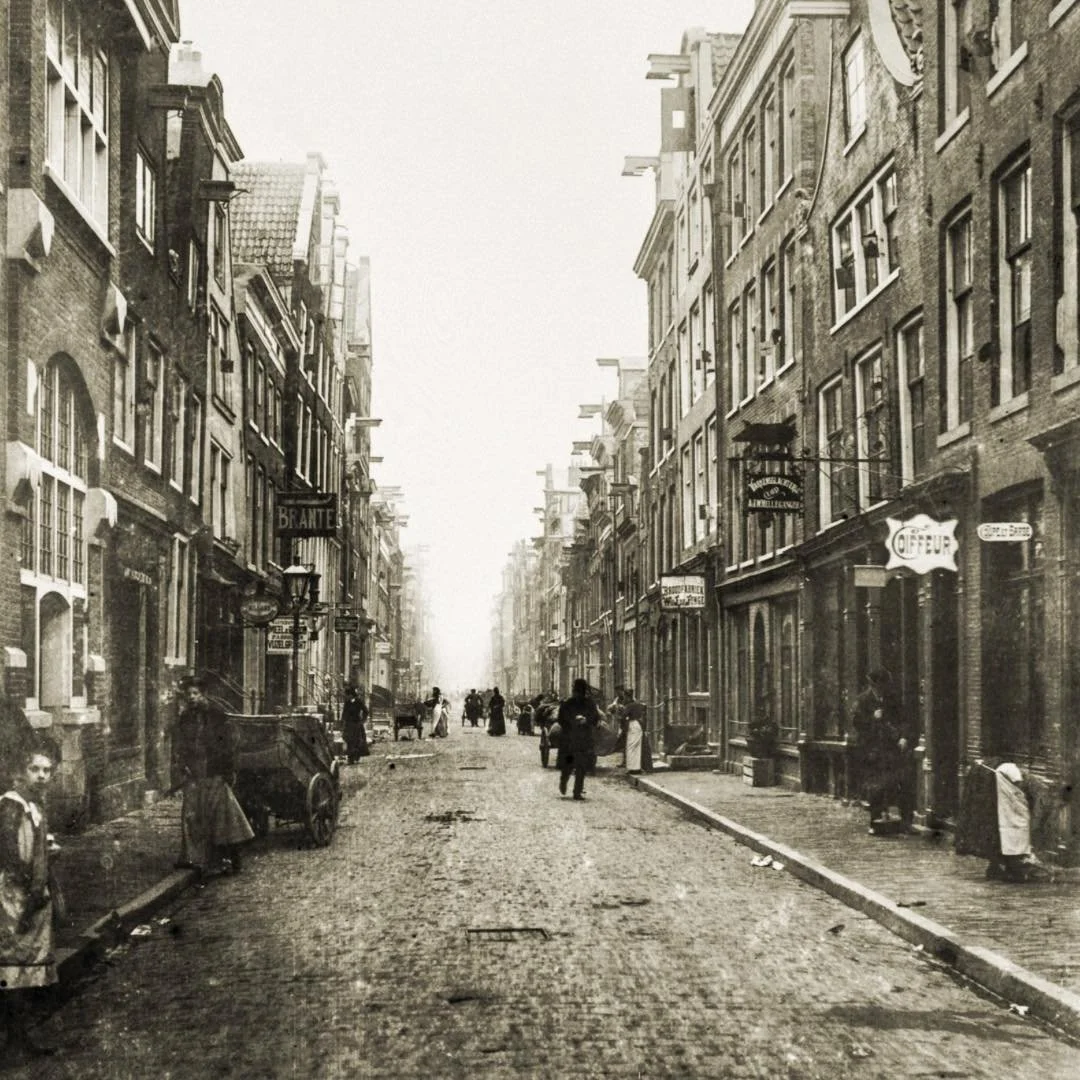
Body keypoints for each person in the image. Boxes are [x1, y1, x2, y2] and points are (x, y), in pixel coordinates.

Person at [1, 732, 61, 1060]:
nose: (40, 776)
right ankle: (13, 1042)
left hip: (31, 893)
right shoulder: (12, 803)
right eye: (35, 769)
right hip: (14, 896)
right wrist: (28, 887)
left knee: (23, 971)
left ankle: (19, 1039)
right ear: (23, 770)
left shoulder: (35, 804)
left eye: (46, 770)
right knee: (12, 968)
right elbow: (9, 851)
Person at [172, 675, 255, 875]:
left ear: (204, 695)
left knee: (222, 818)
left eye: (195, 693)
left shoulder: (217, 715)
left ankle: (230, 858)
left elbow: (228, 745)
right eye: (188, 694)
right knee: (191, 815)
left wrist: (227, 772)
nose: (191, 697)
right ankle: (193, 858)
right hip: (194, 772)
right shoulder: (185, 718)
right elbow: (180, 745)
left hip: (214, 771)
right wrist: (181, 767)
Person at [851, 669, 914, 835]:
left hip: (893, 749)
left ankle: (906, 822)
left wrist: (904, 737)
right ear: (872, 685)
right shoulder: (863, 701)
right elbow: (857, 723)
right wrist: (873, 718)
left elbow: (904, 719)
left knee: (902, 781)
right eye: (879, 686)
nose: (882, 690)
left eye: (884, 686)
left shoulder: (893, 699)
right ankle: (875, 820)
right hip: (873, 751)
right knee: (877, 786)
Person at [556, 678, 602, 800]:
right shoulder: (589, 703)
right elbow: (596, 717)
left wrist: (572, 723)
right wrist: (584, 721)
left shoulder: (567, 703)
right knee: (580, 766)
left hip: (571, 741)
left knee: (570, 764)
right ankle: (575, 791)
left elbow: (560, 719)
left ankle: (566, 783)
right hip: (581, 741)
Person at [341, 684, 370, 764]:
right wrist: (342, 722)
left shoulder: (358, 701)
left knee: (356, 741)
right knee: (348, 740)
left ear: (351, 695)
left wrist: (363, 720)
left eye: (347, 695)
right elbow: (344, 713)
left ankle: (356, 756)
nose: (346, 697)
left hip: (356, 724)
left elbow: (366, 711)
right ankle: (350, 758)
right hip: (348, 725)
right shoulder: (347, 702)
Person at [623, 695, 650, 775]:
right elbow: (644, 712)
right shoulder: (639, 705)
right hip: (639, 725)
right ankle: (637, 767)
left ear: (628, 698)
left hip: (633, 725)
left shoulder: (629, 706)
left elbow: (624, 715)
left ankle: (632, 768)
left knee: (630, 747)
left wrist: (624, 724)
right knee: (637, 747)